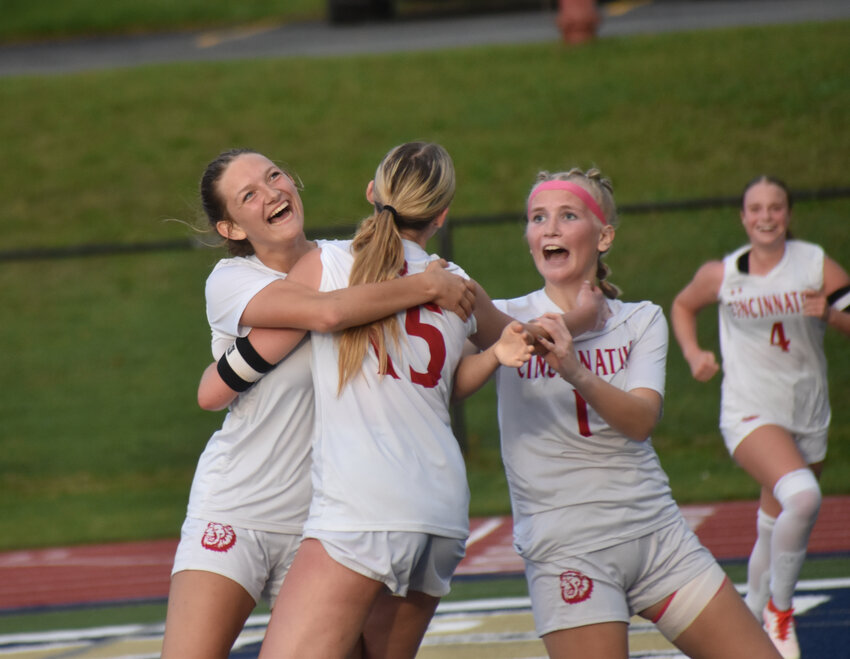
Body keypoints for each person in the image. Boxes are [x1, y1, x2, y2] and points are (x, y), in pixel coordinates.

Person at [160, 148, 477, 659]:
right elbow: (326, 314)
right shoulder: (232, 281)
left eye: (274, 176)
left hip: (326, 521)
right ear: (232, 229)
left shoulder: (350, 262)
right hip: (238, 506)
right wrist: (425, 285)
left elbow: (436, 365)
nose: (272, 192)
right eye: (249, 195)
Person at [491, 169, 783, 658]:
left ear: (603, 235)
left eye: (568, 215)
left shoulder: (640, 318)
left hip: (655, 533)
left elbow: (640, 419)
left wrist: (577, 371)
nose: (551, 229)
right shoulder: (506, 316)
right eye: (538, 218)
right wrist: (578, 321)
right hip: (568, 547)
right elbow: (482, 345)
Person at [671, 175, 850, 658]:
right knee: (804, 497)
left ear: (788, 215)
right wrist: (693, 354)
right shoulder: (724, 273)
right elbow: (684, 305)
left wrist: (831, 315)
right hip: (750, 409)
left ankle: (749, 615)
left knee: (776, 521)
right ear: (743, 217)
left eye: (775, 208)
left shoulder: (814, 263)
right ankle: (780, 612)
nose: (766, 217)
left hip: (807, 409)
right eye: (756, 208)